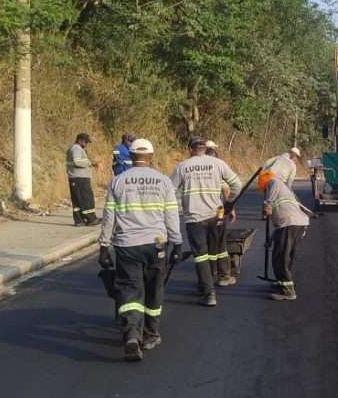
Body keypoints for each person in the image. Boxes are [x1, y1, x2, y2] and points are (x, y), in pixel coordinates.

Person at [98, 138, 181, 362]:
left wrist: (104, 245)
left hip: (126, 246)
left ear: (131, 156)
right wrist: (177, 242)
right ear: (151, 157)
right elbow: (171, 214)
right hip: (156, 245)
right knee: (154, 288)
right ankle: (151, 334)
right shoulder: (163, 182)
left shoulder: (118, 181)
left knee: (129, 290)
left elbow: (109, 217)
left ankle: (132, 335)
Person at [170, 136, 241, 306]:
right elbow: (237, 185)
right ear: (204, 148)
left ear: (190, 149)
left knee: (201, 256)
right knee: (215, 250)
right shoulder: (218, 163)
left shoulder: (182, 167)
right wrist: (228, 203)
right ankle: (215, 279)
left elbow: (169, 191)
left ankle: (209, 293)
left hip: (195, 218)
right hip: (216, 215)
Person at [261, 173, 309, 301]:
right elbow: (279, 226)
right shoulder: (284, 189)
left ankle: (288, 291)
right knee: (281, 255)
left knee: (282, 257)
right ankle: (281, 283)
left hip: (291, 223)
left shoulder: (273, 182)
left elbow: (269, 202)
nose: (264, 191)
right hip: (292, 224)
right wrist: (271, 239)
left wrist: (267, 204)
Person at [66, 133, 99, 226]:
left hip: (77, 178)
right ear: (80, 140)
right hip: (79, 178)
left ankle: (79, 220)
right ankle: (91, 219)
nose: (86, 144)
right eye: (86, 142)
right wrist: (90, 163)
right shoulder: (76, 148)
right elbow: (77, 161)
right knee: (86, 199)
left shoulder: (76, 148)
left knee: (78, 200)